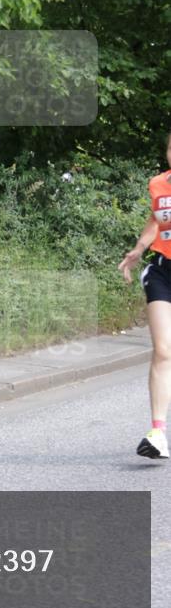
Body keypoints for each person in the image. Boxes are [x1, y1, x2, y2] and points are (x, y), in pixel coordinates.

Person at [118, 130, 171, 460]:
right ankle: (158, 432)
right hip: (164, 271)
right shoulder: (159, 184)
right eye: (170, 148)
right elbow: (156, 220)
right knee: (163, 351)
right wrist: (139, 248)